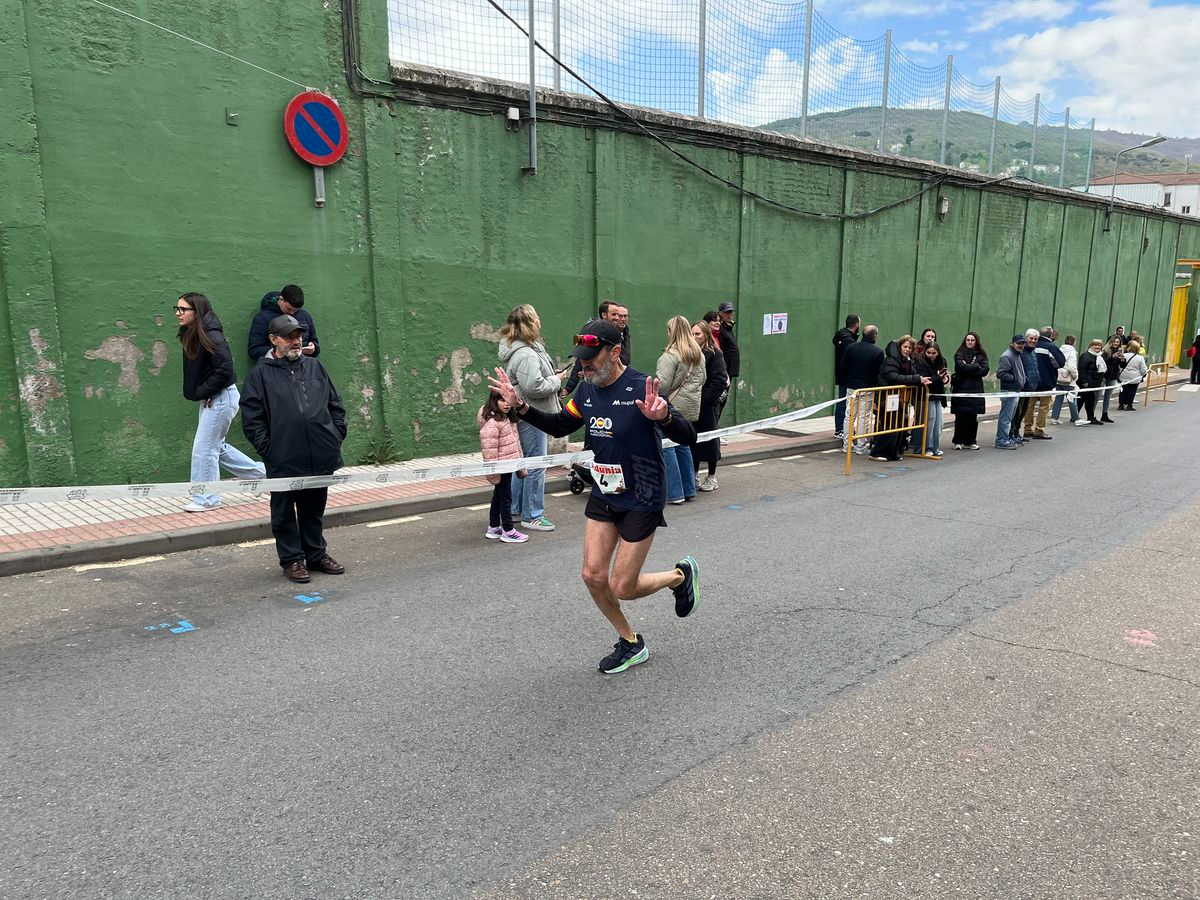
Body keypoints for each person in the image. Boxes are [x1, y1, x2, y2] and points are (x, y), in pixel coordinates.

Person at [487, 320, 699, 675]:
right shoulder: (586, 392)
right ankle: (631, 642)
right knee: (592, 575)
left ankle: (679, 576)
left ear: (615, 352)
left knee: (623, 586)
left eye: (591, 361)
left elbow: (688, 435)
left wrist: (663, 418)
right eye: (581, 362)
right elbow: (560, 425)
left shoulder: (643, 387)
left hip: (643, 493)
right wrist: (521, 407)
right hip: (605, 490)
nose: (584, 368)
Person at [240, 314, 347, 583]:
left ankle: (316, 555)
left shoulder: (315, 367)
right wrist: (270, 449)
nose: (296, 341)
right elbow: (252, 419)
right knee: (284, 513)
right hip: (283, 458)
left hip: (319, 454)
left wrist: (334, 437)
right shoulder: (260, 375)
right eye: (289, 336)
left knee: (314, 510)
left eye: (298, 335)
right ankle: (292, 560)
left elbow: (335, 405)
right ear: (273, 340)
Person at [174, 292, 265, 512]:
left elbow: (225, 370)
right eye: (177, 309)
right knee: (215, 446)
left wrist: (205, 390)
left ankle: (207, 498)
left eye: (183, 309)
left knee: (204, 449)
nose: (178, 313)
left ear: (197, 312)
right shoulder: (194, 332)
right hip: (214, 397)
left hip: (221, 397)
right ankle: (262, 475)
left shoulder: (211, 335)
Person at [498, 304, 570, 533]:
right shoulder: (526, 354)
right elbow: (534, 387)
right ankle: (533, 515)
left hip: (526, 413)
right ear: (530, 324)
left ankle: (516, 509)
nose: (540, 320)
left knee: (525, 464)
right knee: (537, 464)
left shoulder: (525, 349)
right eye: (536, 317)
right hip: (532, 415)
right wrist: (557, 380)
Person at [656, 316, 704, 504]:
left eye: (668, 330)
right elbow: (703, 380)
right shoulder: (698, 354)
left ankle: (675, 493)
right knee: (683, 445)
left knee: (667, 446)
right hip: (691, 407)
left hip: (673, 407)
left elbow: (662, 386)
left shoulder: (670, 356)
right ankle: (689, 489)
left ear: (673, 332)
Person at [477, 392, 528, 543]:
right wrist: (494, 472)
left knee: (499, 496)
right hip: (501, 467)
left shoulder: (508, 419)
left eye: (508, 401)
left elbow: (516, 444)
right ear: (494, 401)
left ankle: (494, 527)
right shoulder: (492, 423)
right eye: (501, 400)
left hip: (509, 465)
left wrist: (520, 464)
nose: (506, 404)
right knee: (506, 498)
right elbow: (489, 450)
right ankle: (508, 530)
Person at [870, 335, 931, 462]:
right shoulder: (891, 360)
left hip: (897, 398)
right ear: (900, 347)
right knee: (888, 425)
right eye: (905, 347)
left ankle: (892, 453)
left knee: (897, 426)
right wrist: (917, 379)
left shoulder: (907, 361)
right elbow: (894, 378)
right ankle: (877, 453)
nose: (907, 349)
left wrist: (920, 379)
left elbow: (912, 374)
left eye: (910, 348)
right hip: (886, 397)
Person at [691, 320, 727, 490]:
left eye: (697, 334)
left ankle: (711, 477)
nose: (694, 337)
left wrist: (706, 400)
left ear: (705, 334)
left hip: (707, 406)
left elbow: (720, 380)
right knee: (693, 440)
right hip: (692, 405)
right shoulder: (689, 352)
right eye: (692, 334)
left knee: (710, 440)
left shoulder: (715, 353)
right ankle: (694, 475)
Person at [841, 324, 885, 455]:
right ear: (875, 336)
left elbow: (843, 366)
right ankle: (861, 447)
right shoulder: (878, 352)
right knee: (863, 417)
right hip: (867, 388)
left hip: (851, 387)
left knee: (849, 416)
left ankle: (847, 445)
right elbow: (878, 373)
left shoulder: (850, 348)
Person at [248, 284, 318, 363]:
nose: (292, 313)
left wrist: (313, 348)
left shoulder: (305, 316)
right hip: (274, 366)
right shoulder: (262, 318)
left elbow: (314, 341)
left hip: (303, 366)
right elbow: (254, 350)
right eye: (289, 308)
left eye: (296, 310)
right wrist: (282, 351)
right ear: (281, 299)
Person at [1023, 326, 1066, 440]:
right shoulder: (1050, 347)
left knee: (1029, 406)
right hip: (1046, 381)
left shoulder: (1031, 345)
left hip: (1031, 382)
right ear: (1051, 335)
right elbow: (1060, 362)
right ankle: (1039, 430)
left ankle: (1027, 429)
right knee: (1044, 407)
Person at [950, 331, 988, 450]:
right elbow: (961, 367)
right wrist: (976, 367)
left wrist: (969, 370)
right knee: (960, 417)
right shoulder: (959, 353)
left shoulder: (981, 355)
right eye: (968, 340)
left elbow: (985, 370)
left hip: (975, 389)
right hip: (961, 388)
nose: (970, 342)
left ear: (976, 342)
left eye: (972, 340)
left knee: (972, 417)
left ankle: (970, 441)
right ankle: (958, 441)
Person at [912, 341, 948, 456]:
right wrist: (939, 378)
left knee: (938, 423)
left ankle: (934, 447)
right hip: (924, 397)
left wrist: (944, 379)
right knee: (929, 422)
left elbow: (939, 379)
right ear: (925, 351)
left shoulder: (941, 361)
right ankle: (925, 447)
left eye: (934, 353)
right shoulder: (919, 361)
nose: (931, 355)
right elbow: (926, 380)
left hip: (937, 395)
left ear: (938, 352)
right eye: (929, 353)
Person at [995, 335, 1027, 449]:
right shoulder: (1007, 356)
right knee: (1006, 417)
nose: (1020, 345)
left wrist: (1022, 379)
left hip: (1015, 390)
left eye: (1022, 343)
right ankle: (1001, 440)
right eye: (1018, 343)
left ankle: (1007, 437)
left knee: (1009, 417)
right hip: (1009, 390)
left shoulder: (1017, 354)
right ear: (1012, 343)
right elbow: (1001, 373)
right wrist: (1015, 379)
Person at [1010, 329, 1042, 443]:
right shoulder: (1021, 352)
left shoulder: (1033, 352)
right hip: (1021, 388)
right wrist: (1025, 382)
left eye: (1035, 339)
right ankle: (1012, 433)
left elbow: (1034, 368)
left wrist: (1037, 381)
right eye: (1031, 338)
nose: (1033, 341)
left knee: (1023, 411)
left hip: (1030, 388)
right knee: (1017, 412)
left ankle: (1017, 432)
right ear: (1026, 338)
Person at [831, 314, 860, 438]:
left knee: (843, 402)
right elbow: (851, 360)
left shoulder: (842, 337)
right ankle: (840, 430)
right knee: (844, 403)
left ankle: (842, 429)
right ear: (857, 324)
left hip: (842, 375)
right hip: (847, 377)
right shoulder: (848, 341)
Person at [1050, 334, 1080, 426]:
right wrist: (1075, 376)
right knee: (1072, 398)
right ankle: (1076, 418)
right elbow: (1072, 366)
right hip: (1068, 379)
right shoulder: (1072, 352)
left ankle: (1054, 418)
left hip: (1059, 377)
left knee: (1059, 398)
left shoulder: (1060, 350)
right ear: (1074, 342)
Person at [1077, 338, 1107, 425]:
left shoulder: (1099, 356)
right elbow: (1081, 369)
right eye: (1095, 345)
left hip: (1094, 382)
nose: (1097, 347)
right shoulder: (1086, 356)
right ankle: (1091, 418)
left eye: (1099, 345)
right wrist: (1084, 382)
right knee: (1089, 400)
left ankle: (1076, 416)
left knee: (1082, 400)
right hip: (1087, 383)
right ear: (1091, 346)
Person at [1101, 335, 1126, 423]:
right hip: (1103, 376)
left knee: (1108, 396)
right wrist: (1112, 357)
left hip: (1113, 376)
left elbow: (1122, 366)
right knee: (1097, 395)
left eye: (1118, 342)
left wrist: (1122, 360)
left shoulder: (1119, 352)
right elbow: (1103, 362)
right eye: (1114, 341)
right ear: (1111, 342)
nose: (1116, 343)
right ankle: (1091, 415)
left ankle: (1104, 414)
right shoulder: (1105, 351)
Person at [1117, 340, 1148, 410]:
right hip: (1135, 377)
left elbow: (1119, 366)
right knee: (1132, 391)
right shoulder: (1140, 358)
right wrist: (1143, 374)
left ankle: (1121, 405)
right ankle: (1129, 405)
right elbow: (1143, 369)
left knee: (1123, 390)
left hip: (1123, 376)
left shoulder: (1123, 355)